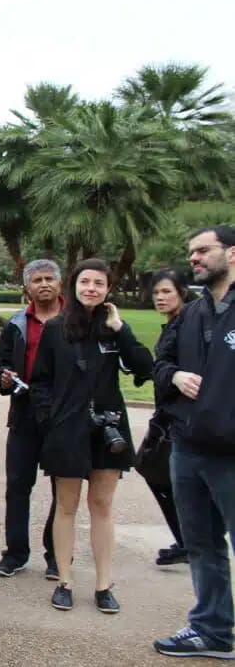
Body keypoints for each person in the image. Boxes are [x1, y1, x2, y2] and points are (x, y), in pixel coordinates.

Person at [30, 258, 153, 615]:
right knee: (66, 506)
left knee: (101, 506)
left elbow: (144, 367)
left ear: (108, 290)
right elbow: (40, 381)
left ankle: (103, 584)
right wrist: (49, 419)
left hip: (108, 426)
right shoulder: (55, 329)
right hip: (68, 427)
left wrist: (121, 329)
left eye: (99, 284)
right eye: (85, 282)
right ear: (74, 284)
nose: (91, 289)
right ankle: (65, 580)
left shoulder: (114, 328)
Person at [151, 227, 235, 659]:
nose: (196, 258)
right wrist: (175, 376)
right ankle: (212, 630)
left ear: (232, 254)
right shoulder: (192, 313)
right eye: (192, 253)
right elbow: (159, 363)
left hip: (231, 454)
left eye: (204, 250)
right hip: (189, 448)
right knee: (201, 543)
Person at [0, 259, 63, 580]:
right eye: (37, 280)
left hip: (63, 417)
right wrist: (4, 376)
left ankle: (57, 553)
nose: (44, 284)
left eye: (50, 278)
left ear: (60, 284)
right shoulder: (16, 324)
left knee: (64, 489)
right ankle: (16, 553)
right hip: (23, 413)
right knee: (18, 486)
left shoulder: (75, 322)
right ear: (27, 288)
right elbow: (0, 361)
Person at [137, 269, 190, 567]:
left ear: (181, 292)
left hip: (177, 418)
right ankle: (186, 540)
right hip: (164, 416)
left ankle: (189, 541)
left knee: (164, 475)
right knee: (154, 472)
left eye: (166, 292)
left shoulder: (187, 325)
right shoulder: (173, 324)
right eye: (156, 292)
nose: (160, 297)